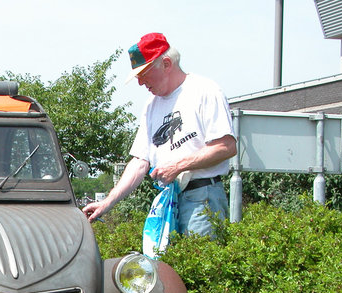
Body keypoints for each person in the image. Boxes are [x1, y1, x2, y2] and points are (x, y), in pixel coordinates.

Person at [83, 33, 237, 238]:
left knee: (196, 265)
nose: (140, 83)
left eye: (143, 74)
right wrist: (107, 202)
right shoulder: (151, 105)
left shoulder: (204, 91)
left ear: (166, 64)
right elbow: (139, 162)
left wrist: (178, 166)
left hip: (203, 197)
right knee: (163, 266)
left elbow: (226, 146)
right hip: (167, 199)